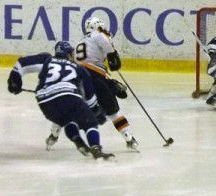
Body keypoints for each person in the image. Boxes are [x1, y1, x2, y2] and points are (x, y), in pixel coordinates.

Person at [7, 41, 115, 160]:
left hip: (44, 101)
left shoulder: (46, 60)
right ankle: (96, 150)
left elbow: (22, 63)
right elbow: (89, 96)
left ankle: (77, 140)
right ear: (68, 54)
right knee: (90, 123)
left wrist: (14, 81)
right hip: (68, 96)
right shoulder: (77, 68)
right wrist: (95, 112)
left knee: (68, 121)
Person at [74, 16, 139, 150]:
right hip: (95, 76)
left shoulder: (80, 41)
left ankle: (55, 133)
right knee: (113, 111)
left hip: (79, 78)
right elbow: (105, 41)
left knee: (73, 106)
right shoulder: (98, 34)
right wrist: (112, 55)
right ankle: (128, 137)